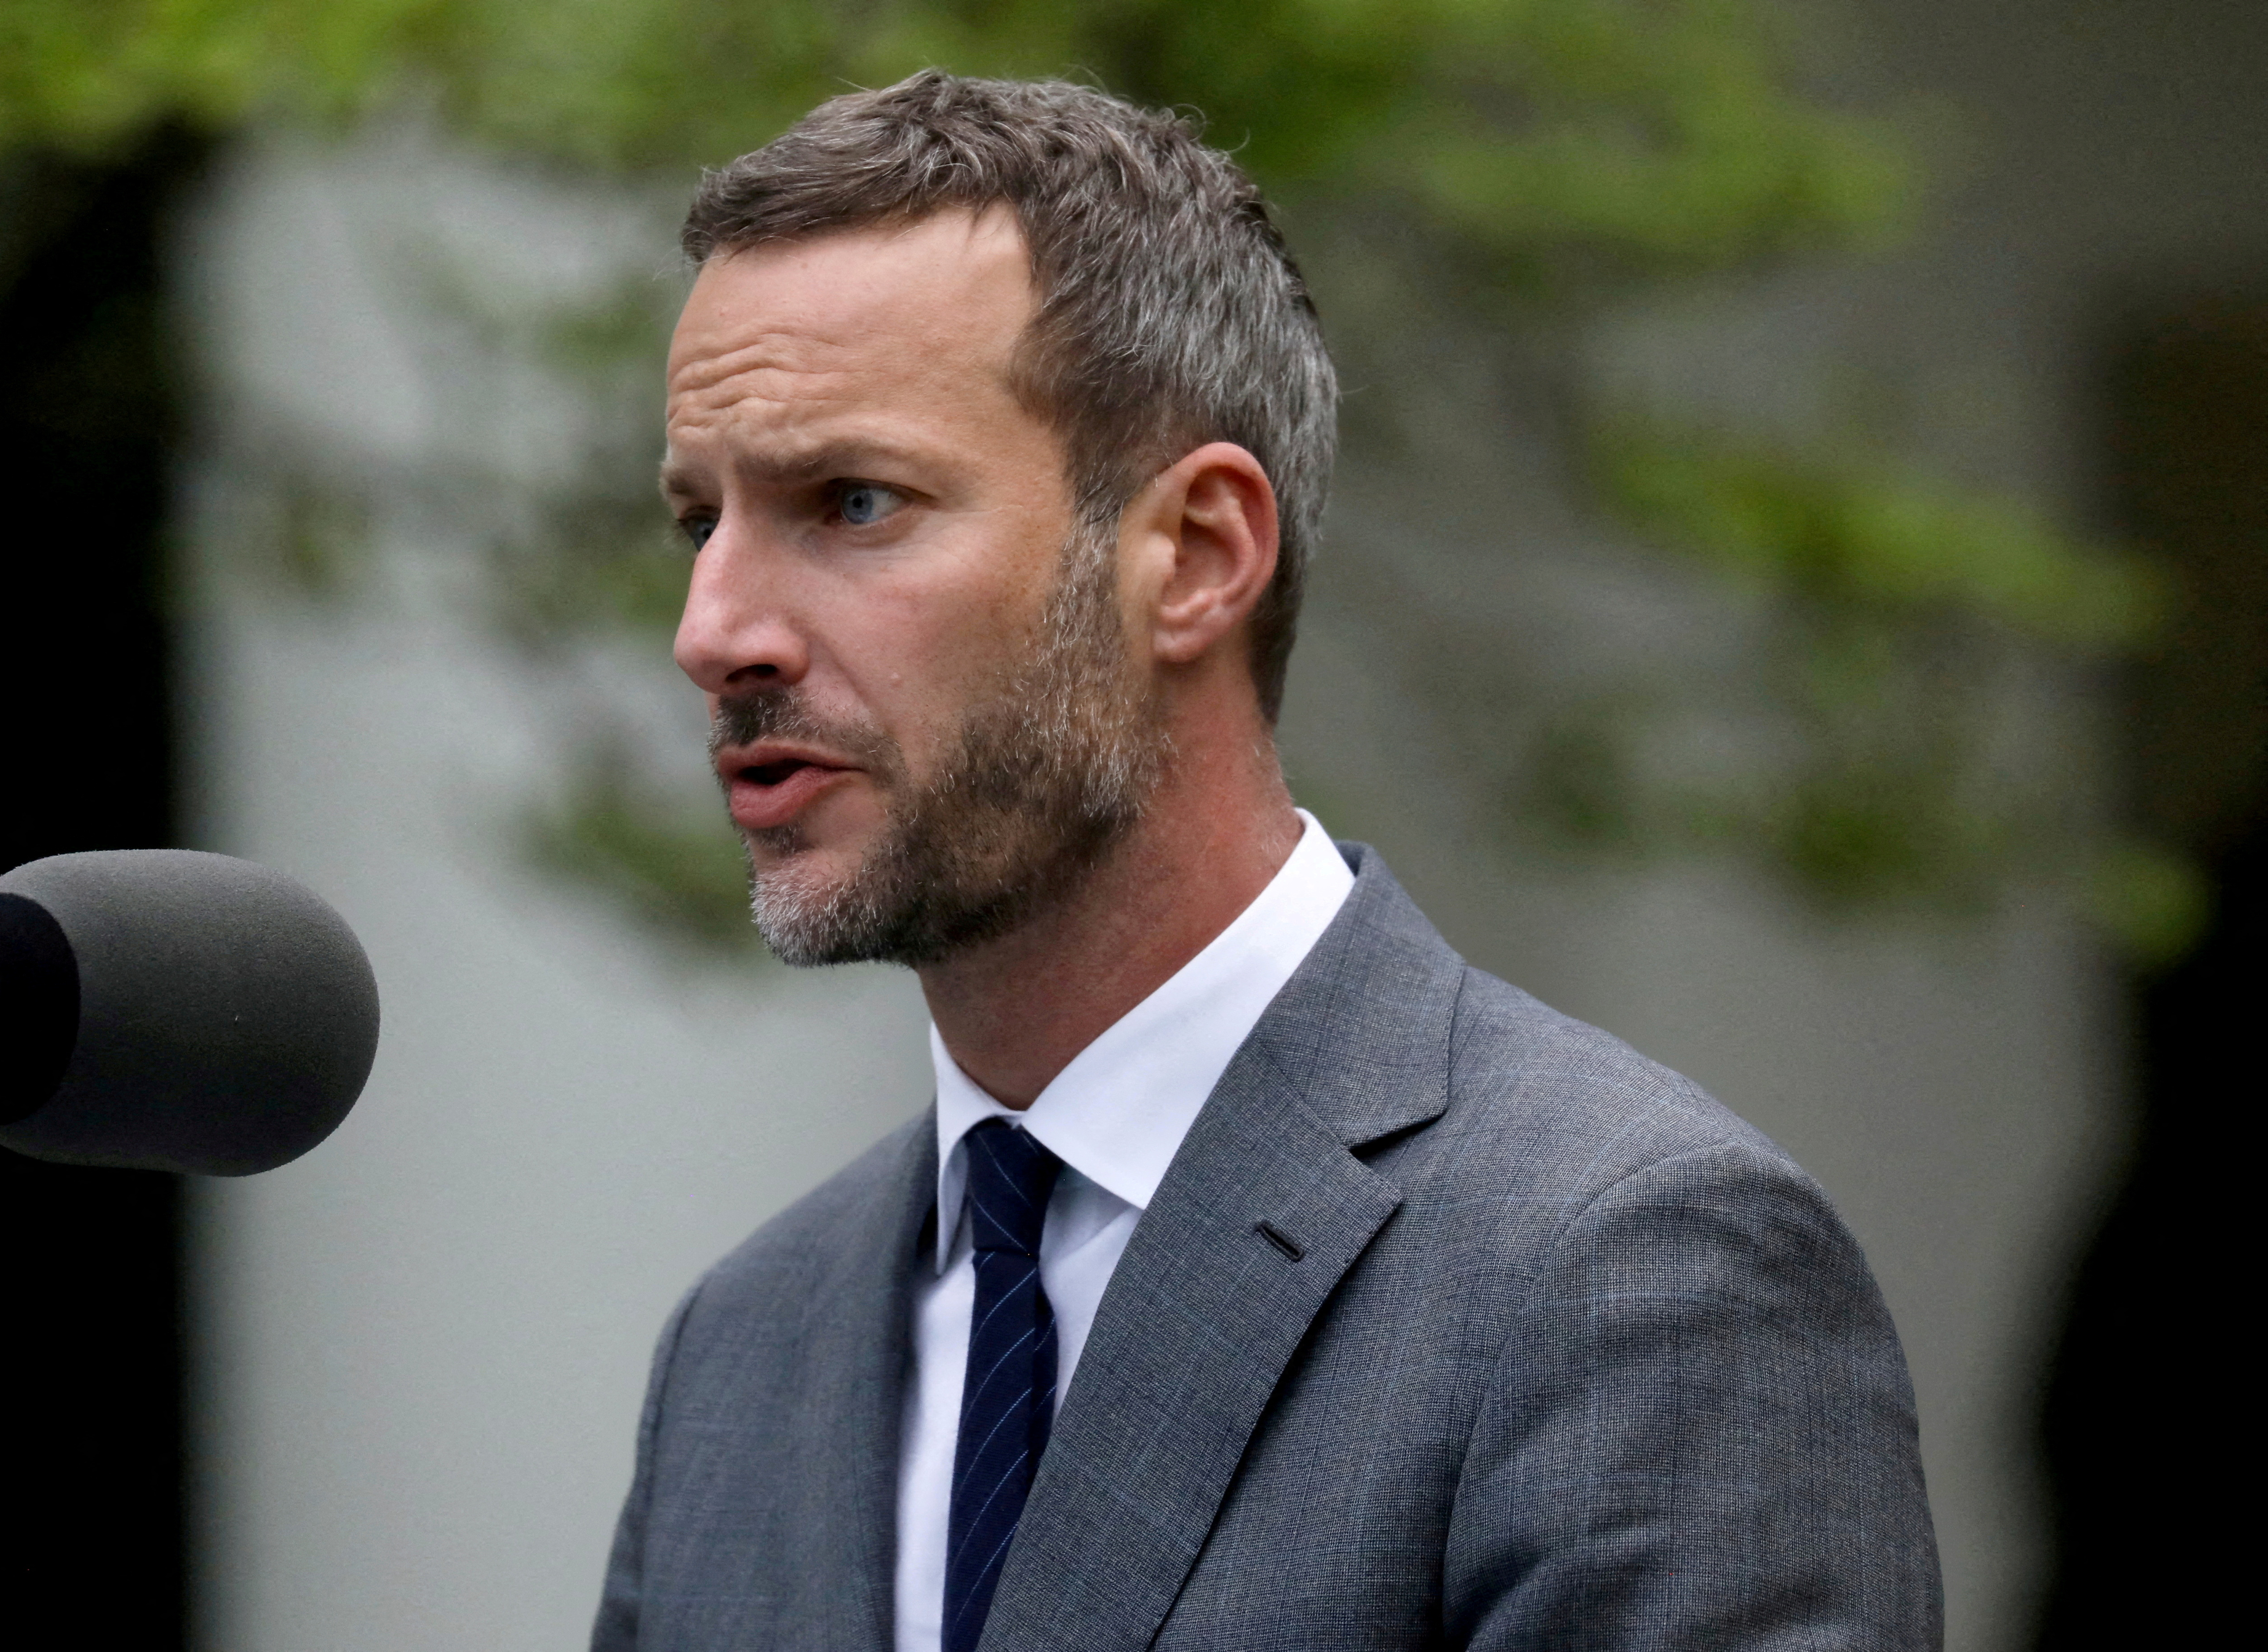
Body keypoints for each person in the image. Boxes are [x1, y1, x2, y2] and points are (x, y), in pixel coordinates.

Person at [593, 70, 1940, 1652]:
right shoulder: (748, 1347)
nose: (713, 633)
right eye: (702, 523)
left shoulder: (1619, 1269)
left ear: (1197, 557)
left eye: (853, 501)